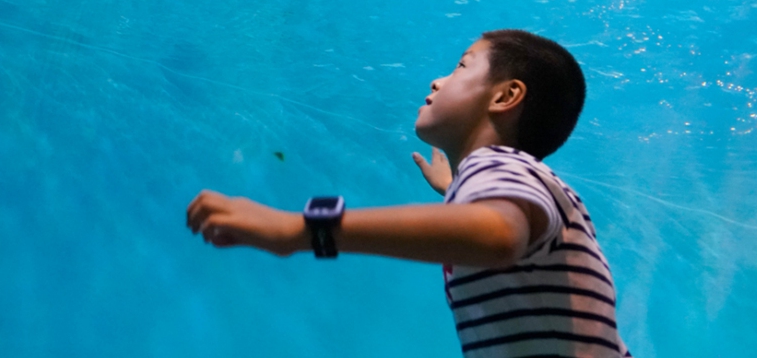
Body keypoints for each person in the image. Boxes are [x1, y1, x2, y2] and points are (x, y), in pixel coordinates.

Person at [186, 29, 631, 357]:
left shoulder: (497, 165)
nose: (437, 81)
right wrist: (457, 191)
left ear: (506, 96)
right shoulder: (510, 177)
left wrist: (302, 229)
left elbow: (498, 235)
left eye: (460, 66)